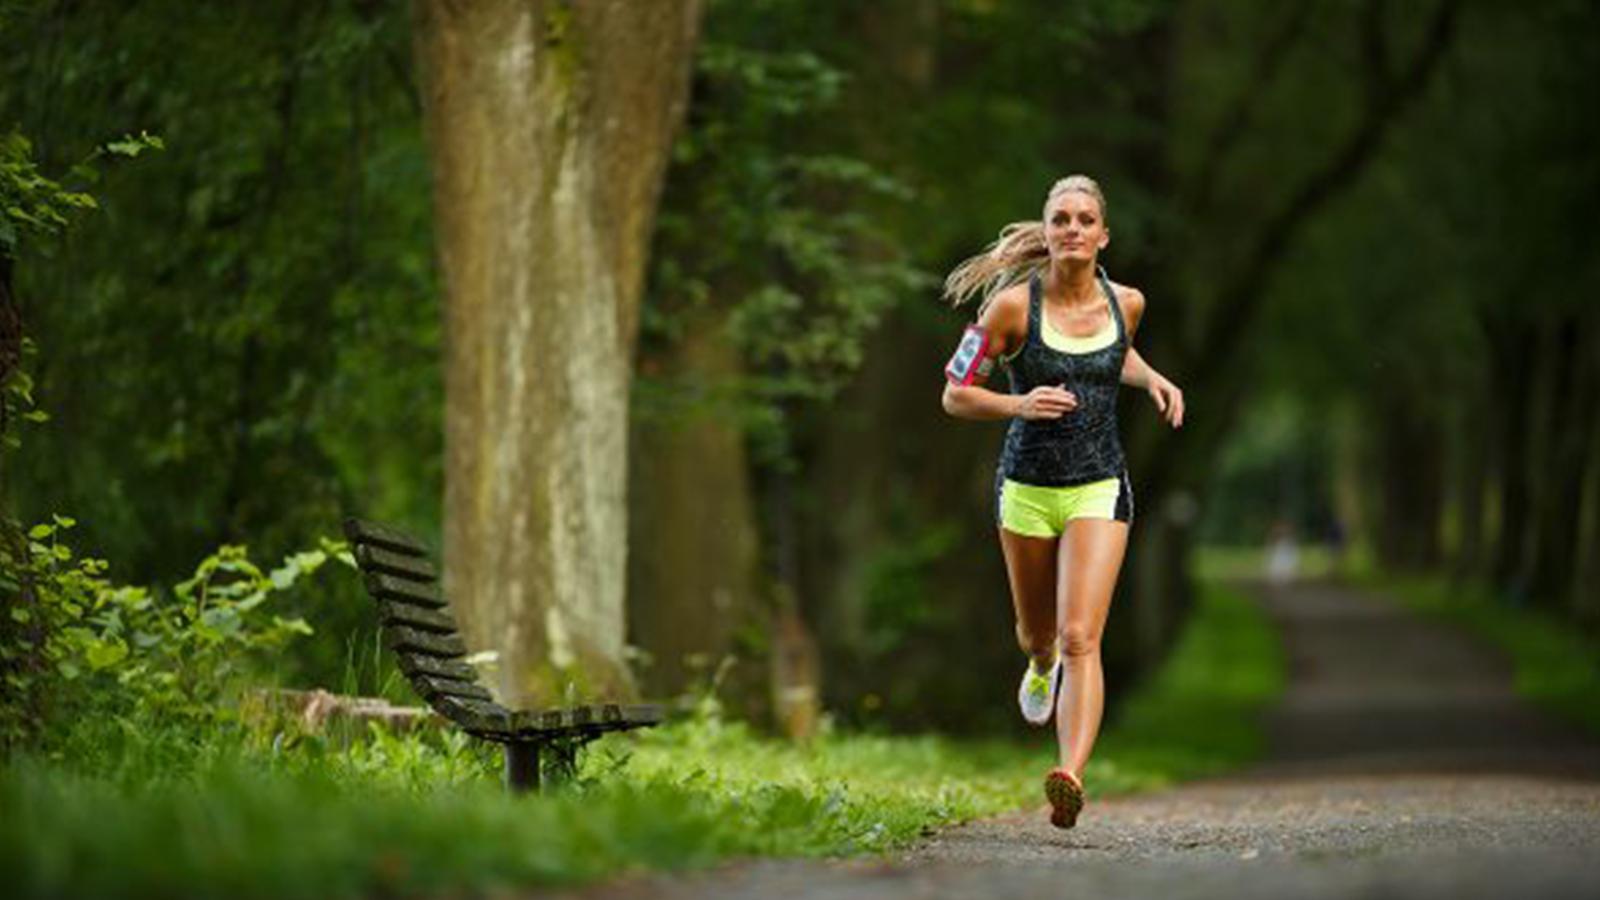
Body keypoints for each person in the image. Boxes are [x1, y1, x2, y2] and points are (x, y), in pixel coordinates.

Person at [940, 175, 1185, 829]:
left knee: (1083, 636)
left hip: (1100, 484)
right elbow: (955, 394)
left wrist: (1153, 377)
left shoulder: (1127, 302)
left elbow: (1114, 355)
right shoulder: (1011, 310)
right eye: (1061, 220)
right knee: (1040, 634)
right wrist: (1019, 403)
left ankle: (1069, 773)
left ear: (1103, 236)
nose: (1072, 229)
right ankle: (1038, 664)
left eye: (1084, 220)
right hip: (1025, 487)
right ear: (1047, 233)